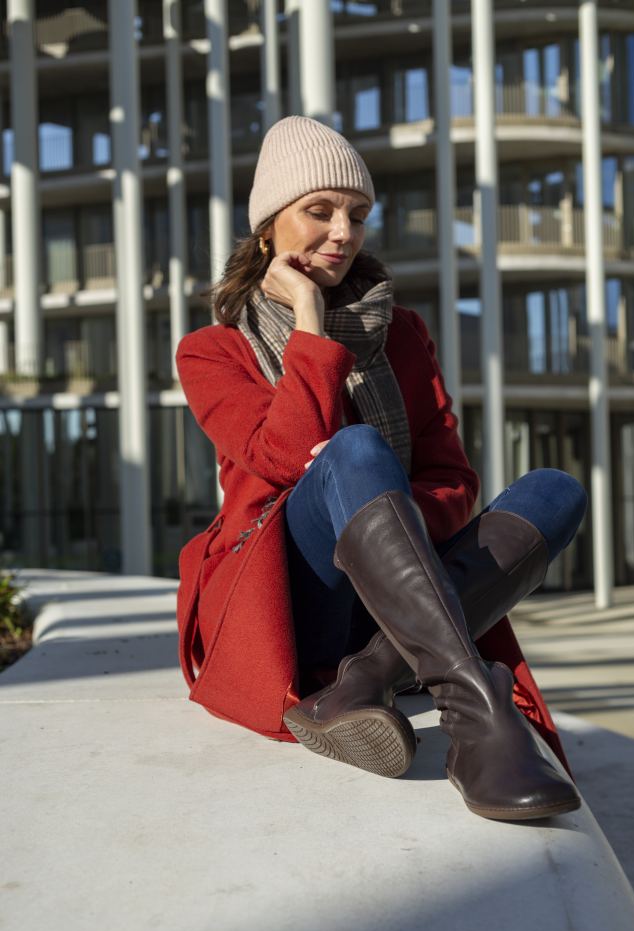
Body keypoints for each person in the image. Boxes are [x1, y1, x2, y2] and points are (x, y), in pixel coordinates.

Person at [176, 115, 588, 822]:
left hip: (390, 590)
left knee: (553, 491)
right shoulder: (211, 350)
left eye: (357, 216)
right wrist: (310, 321)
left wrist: (381, 508)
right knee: (354, 451)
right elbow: (281, 460)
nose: (342, 232)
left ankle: (365, 678)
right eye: (319, 211)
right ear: (268, 226)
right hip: (291, 591)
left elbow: (453, 481)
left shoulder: (400, 332)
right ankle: (473, 713)